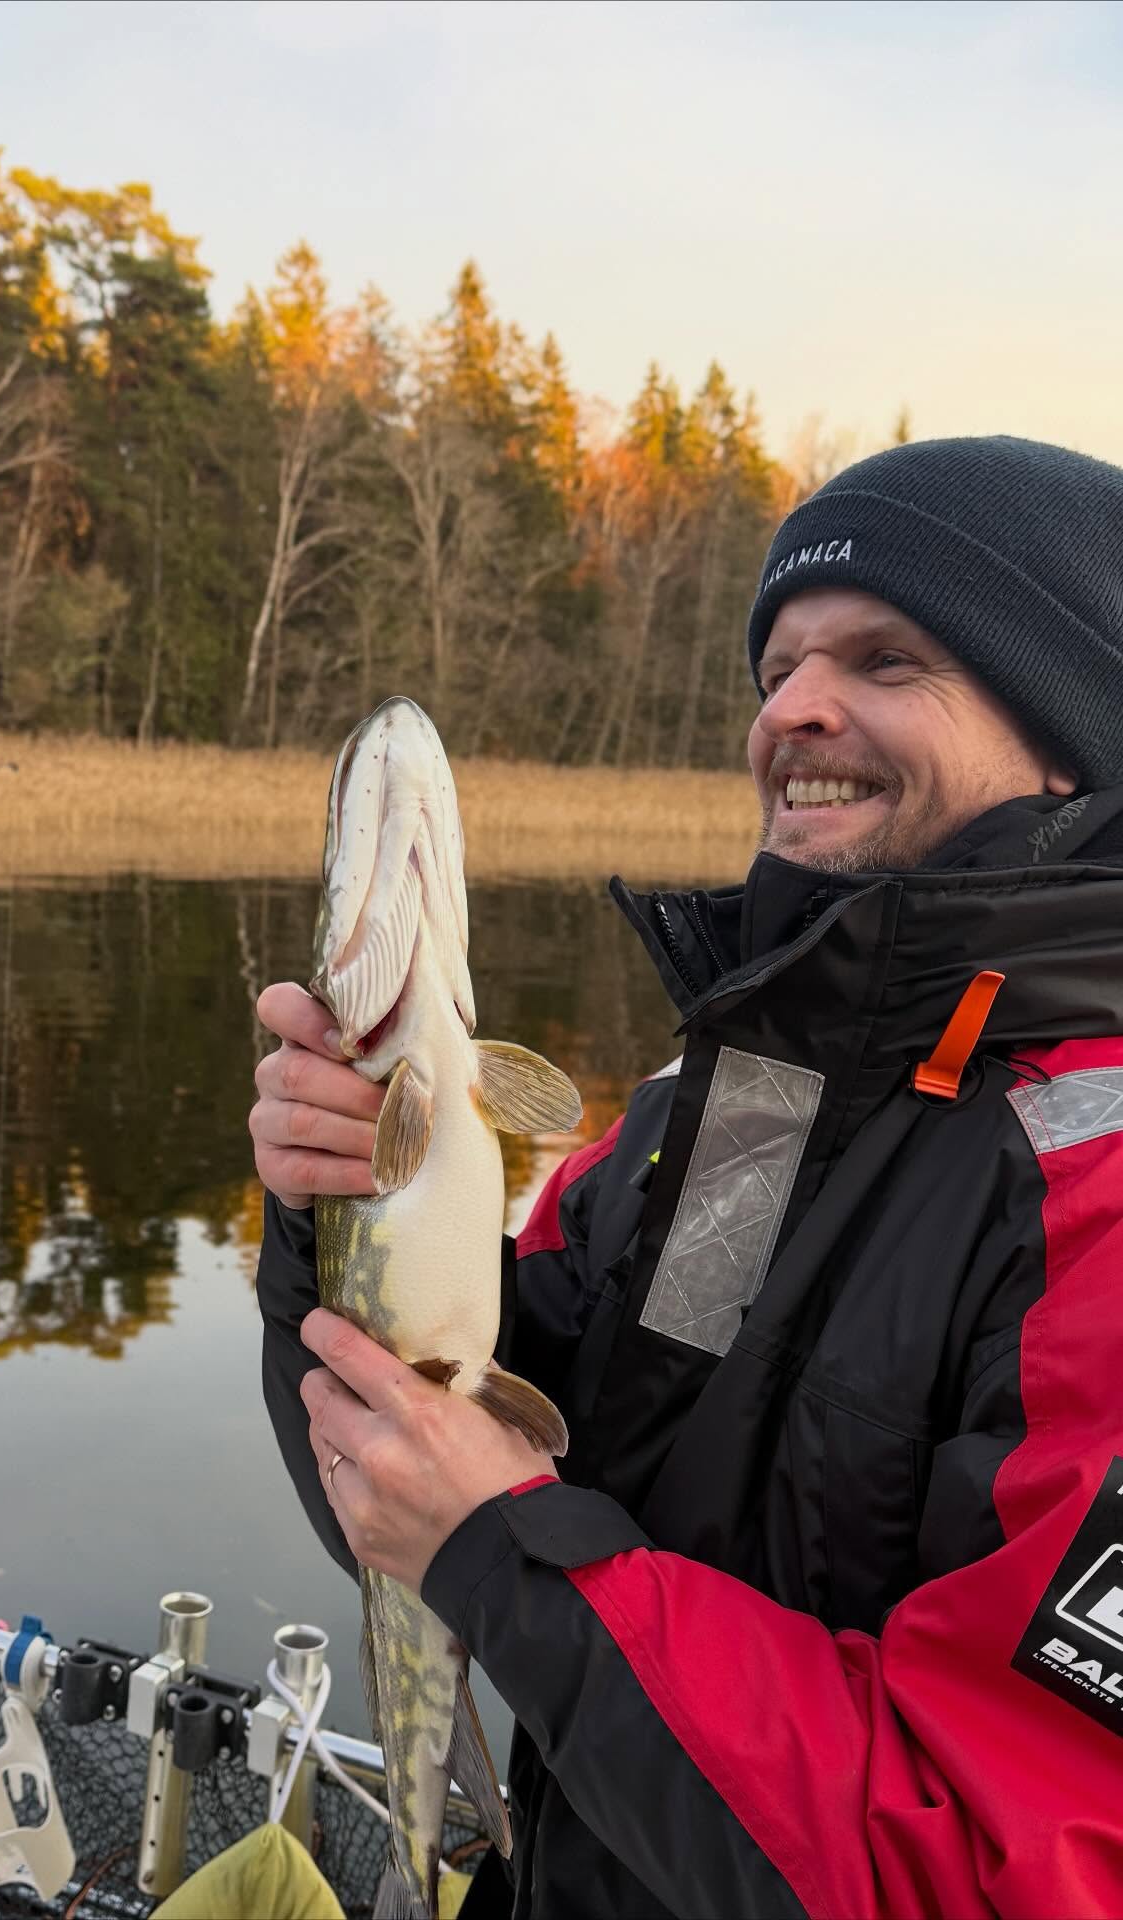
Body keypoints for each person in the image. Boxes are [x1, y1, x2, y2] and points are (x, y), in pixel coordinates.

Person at [249, 435, 1123, 1918]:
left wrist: (507, 1556)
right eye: (775, 667)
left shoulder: (1093, 1195)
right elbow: (435, 1464)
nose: (792, 709)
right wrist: (333, 1223)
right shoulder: (747, 1113)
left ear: (1071, 736)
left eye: (888, 659)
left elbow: (995, 1866)